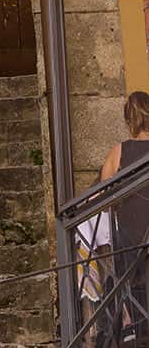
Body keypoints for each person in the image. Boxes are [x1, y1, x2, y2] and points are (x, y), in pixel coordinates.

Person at [101, 91, 149, 345]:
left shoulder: (120, 151)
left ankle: (135, 330)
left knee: (129, 280)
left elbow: (102, 193)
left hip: (131, 236)